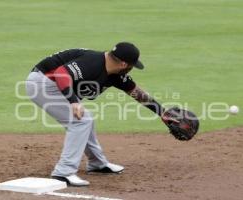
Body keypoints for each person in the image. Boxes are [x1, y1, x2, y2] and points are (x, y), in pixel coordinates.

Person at [26, 42, 166, 186]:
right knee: (81, 121)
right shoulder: (93, 62)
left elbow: (136, 92)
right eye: (132, 66)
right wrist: (74, 101)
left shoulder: (115, 73)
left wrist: (162, 113)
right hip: (43, 83)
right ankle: (63, 173)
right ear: (124, 64)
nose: (131, 69)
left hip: (53, 85)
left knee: (86, 120)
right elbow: (61, 73)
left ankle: (97, 163)